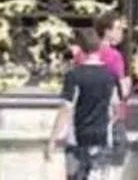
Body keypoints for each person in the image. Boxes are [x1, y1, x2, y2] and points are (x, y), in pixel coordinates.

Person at [48, 28, 126, 180]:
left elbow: (66, 109)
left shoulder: (74, 76)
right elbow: (117, 110)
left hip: (77, 138)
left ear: (80, 49)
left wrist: (53, 139)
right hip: (102, 137)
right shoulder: (110, 77)